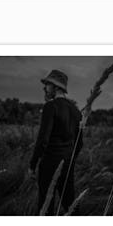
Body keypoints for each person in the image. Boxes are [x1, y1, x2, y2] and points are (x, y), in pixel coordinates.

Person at [28, 69, 83, 215]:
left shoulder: (50, 107)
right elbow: (80, 143)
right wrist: (70, 160)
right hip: (67, 164)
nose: (44, 88)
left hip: (49, 165)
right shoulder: (77, 111)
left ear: (56, 87)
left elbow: (42, 140)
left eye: (47, 85)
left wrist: (32, 166)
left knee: (46, 207)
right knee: (70, 204)